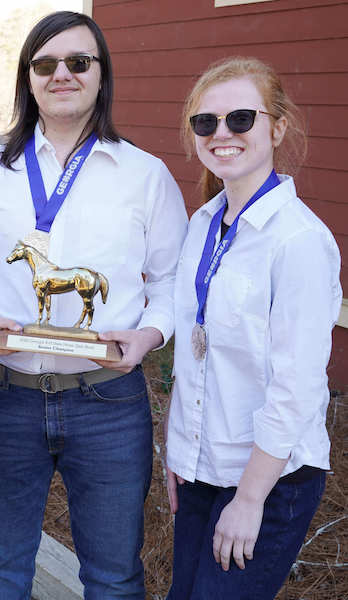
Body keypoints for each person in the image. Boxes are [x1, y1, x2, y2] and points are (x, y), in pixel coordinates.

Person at [0, 11, 188, 599]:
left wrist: (150, 335)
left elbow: (174, 281)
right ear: (28, 78)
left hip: (107, 402)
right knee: (0, 567)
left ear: (101, 76)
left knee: (112, 575)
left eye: (79, 62)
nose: (62, 75)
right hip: (6, 399)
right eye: (45, 64)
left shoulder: (144, 176)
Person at [165, 57, 340, 600]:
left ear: (277, 126)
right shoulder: (201, 226)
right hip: (200, 468)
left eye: (241, 118)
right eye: (206, 122)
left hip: (268, 480)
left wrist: (248, 499)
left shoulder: (298, 241)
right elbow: (197, 355)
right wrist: (179, 455)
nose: (222, 134)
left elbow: (297, 387)